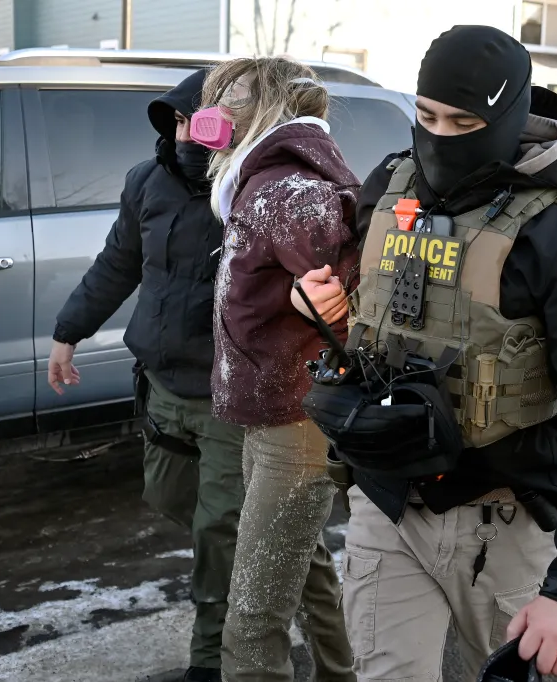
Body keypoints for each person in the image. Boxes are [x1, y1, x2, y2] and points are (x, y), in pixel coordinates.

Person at [299, 25, 557, 681]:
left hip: (505, 524)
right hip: (388, 508)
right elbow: (376, 297)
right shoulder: (390, 185)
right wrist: (324, 303)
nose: (438, 135)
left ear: (509, 115)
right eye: (426, 114)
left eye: (463, 121)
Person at [47, 69, 244, 682]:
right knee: (173, 498)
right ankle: (267, 561)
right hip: (162, 383)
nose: (185, 134)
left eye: (197, 123)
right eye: (177, 123)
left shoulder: (252, 187)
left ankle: (210, 657)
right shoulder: (147, 182)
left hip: (226, 394)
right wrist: (68, 331)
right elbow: (117, 264)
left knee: (219, 527)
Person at [193, 57, 358, 682]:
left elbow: (352, 293)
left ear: (259, 108)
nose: (210, 118)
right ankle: (345, 674)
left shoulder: (288, 189)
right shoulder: (263, 181)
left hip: (298, 420)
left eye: (222, 101)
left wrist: (321, 302)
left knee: (254, 615)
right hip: (277, 413)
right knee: (306, 567)